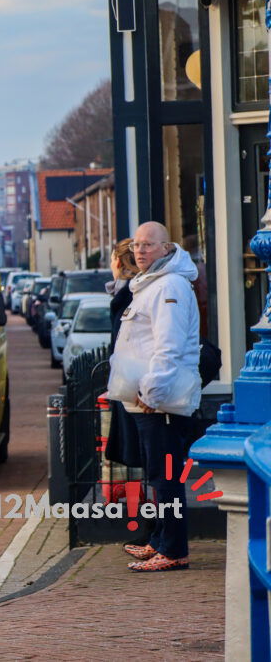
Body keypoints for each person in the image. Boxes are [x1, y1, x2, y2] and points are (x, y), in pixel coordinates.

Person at [109, 222, 200, 573]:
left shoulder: (169, 286)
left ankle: (174, 550)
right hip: (147, 399)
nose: (140, 251)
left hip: (160, 401)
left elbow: (169, 346)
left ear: (166, 248)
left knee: (166, 478)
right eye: (136, 245)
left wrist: (153, 391)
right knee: (157, 475)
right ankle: (160, 540)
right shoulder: (151, 284)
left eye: (148, 245)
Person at [104, 239, 143, 471]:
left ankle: (168, 507)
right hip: (137, 387)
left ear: (117, 262)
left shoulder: (128, 296)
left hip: (138, 390)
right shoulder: (131, 293)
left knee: (156, 463)